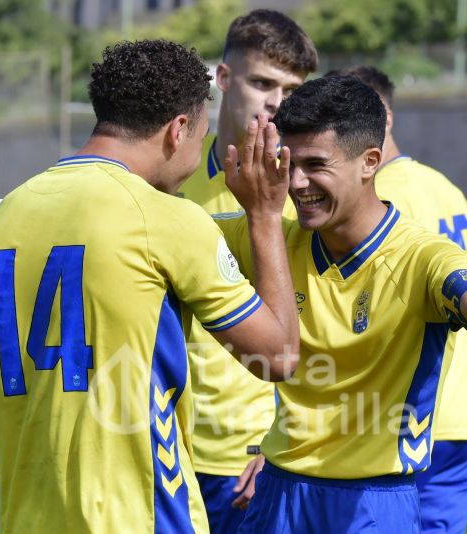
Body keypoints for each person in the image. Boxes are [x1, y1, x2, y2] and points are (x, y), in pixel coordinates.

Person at [0, 10, 318, 534]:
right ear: (179, 130)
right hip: (143, 514)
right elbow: (280, 357)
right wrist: (264, 218)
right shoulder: (169, 217)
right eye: (197, 139)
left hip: (30, 517)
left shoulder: (5, 220)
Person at [213, 76, 467, 533]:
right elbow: (177, 237)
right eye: (290, 162)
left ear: (370, 162)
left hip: (374, 504)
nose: (297, 183)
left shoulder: (421, 256)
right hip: (279, 493)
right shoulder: (268, 235)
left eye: (316, 165)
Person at [327, 65, 467, 533]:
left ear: (380, 119)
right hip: (462, 420)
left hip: (400, 421)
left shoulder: (369, 194)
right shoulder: (447, 189)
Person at [177, 10, 316, 532]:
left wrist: (284, 443)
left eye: (290, 88)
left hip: (258, 462)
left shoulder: (307, 196)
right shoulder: (169, 178)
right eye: (262, 82)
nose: (277, 101)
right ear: (224, 79)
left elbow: (327, 334)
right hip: (169, 451)